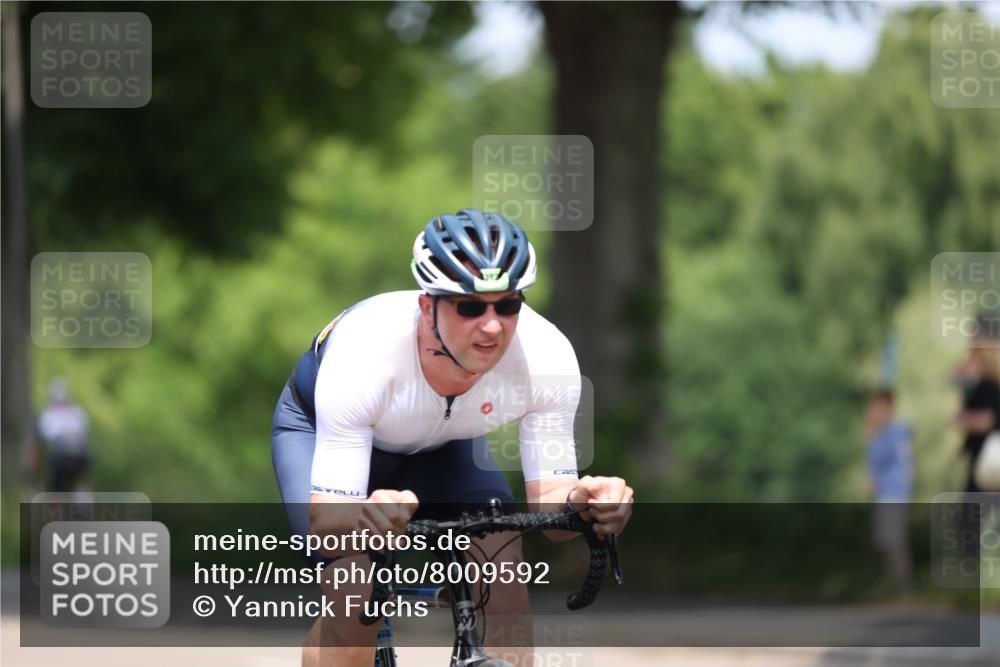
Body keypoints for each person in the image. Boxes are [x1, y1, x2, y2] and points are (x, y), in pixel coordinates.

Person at [271, 209, 634, 667]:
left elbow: (552, 513)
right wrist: (365, 514)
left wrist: (587, 499)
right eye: (469, 307)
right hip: (319, 435)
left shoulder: (547, 357)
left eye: (508, 305)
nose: (491, 325)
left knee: (501, 565)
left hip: (442, 447)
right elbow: (327, 526)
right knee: (354, 599)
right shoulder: (365, 355)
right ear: (427, 306)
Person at [864, 388, 913, 592]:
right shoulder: (889, 433)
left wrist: (871, 439)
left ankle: (903, 583)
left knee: (893, 539)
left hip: (894, 492)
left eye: (874, 409)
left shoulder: (894, 433)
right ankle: (894, 582)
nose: (870, 414)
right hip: (887, 491)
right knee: (887, 539)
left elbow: (883, 458)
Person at [37, 377, 91, 493]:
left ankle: (57, 507)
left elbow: (45, 439)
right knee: (79, 480)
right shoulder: (77, 411)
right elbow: (84, 433)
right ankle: (84, 502)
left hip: (61, 453)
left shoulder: (47, 414)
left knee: (57, 490)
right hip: (82, 452)